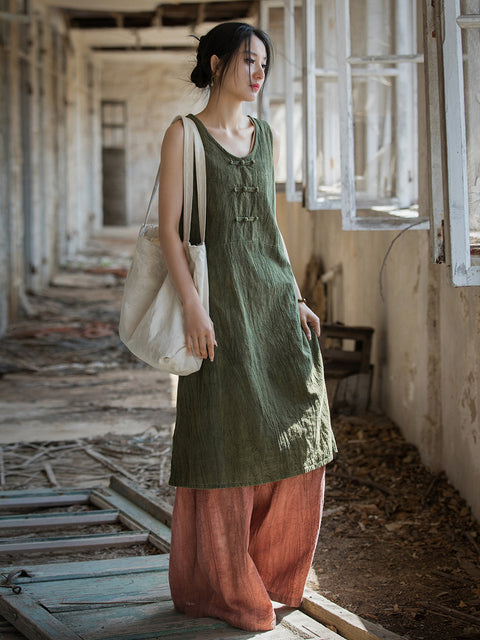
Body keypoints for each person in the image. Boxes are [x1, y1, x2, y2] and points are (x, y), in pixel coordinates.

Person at [157, 21, 337, 632]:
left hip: (269, 300)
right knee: (224, 436)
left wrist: (296, 298)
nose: (258, 73)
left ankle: (274, 571)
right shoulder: (184, 136)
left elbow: (268, 229)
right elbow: (169, 232)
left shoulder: (266, 137)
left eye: (264, 63)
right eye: (246, 61)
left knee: (300, 423)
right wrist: (192, 307)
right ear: (214, 64)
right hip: (218, 308)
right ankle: (223, 583)